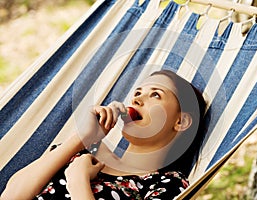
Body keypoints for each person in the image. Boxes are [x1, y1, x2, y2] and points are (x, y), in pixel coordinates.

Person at [1, 70, 207, 200]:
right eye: (137, 93)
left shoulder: (167, 185)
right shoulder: (81, 152)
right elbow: (11, 196)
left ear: (181, 121)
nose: (137, 100)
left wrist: (78, 181)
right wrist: (82, 138)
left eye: (155, 95)